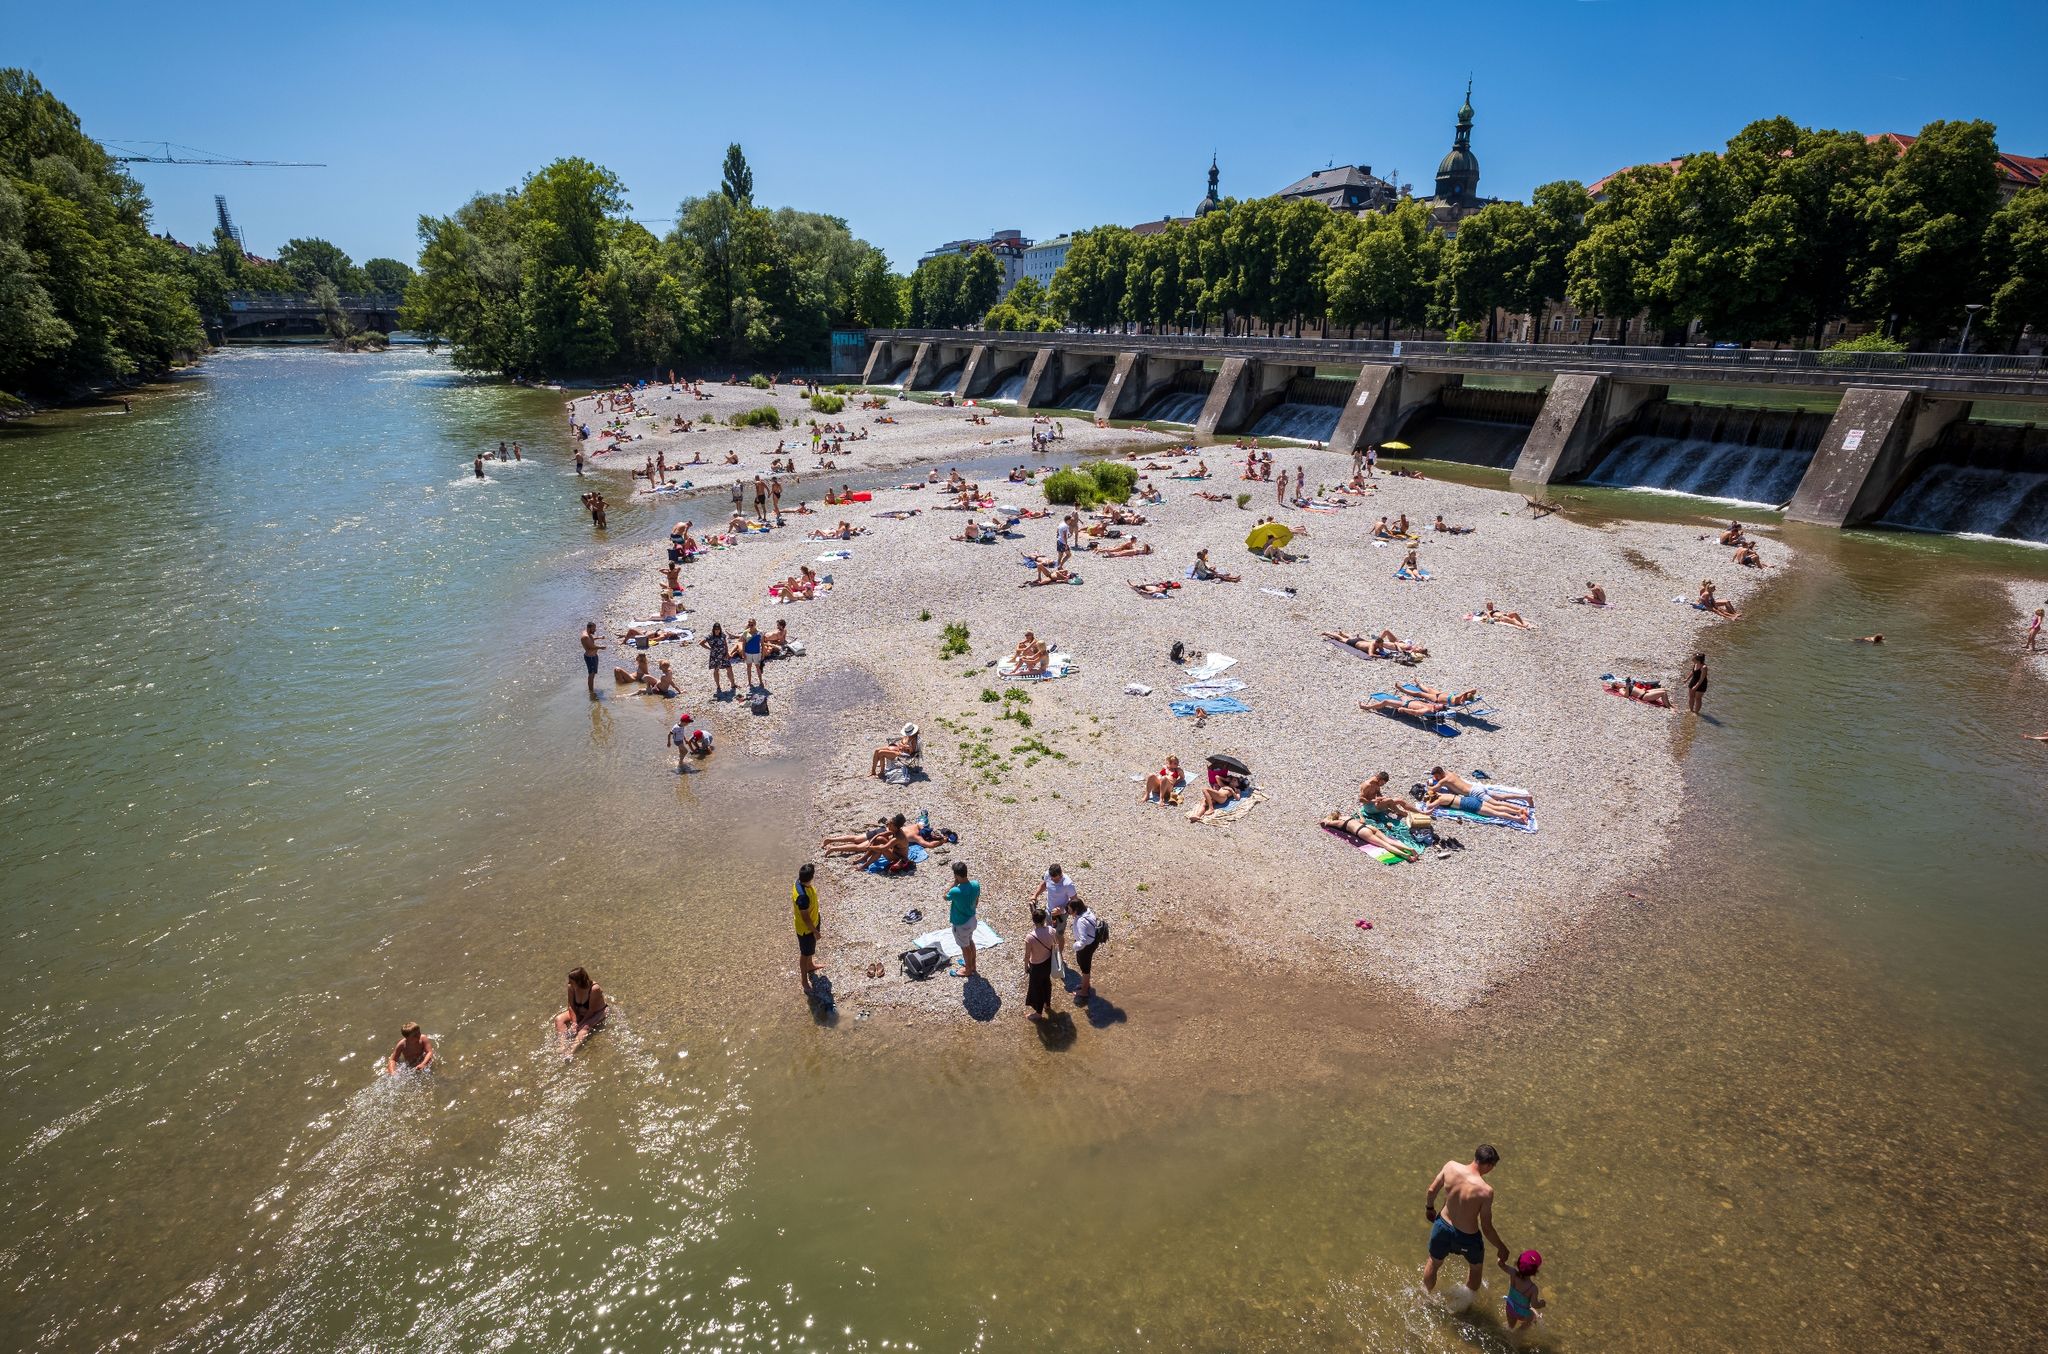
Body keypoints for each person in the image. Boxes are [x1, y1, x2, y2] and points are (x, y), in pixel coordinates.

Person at [1423, 1145, 1509, 1296]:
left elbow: (1431, 1191)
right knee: (1475, 1268)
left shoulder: (1450, 1166)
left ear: (1475, 1157)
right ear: (1489, 1165)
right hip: (1467, 1238)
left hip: (1442, 1226)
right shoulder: (1486, 1191)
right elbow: (1486, 1227)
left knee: (1434, 1262)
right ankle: (1463, 1302)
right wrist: (1501, 1247)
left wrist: (1429, 1208)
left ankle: (1425, 1296)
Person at [553, 967, 608, 1059]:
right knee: (558, 1019)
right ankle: (562, 1046)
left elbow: (591, 1010)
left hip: (597, 1012)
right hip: (580, 1010)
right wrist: (574, 1022)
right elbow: (571, 1006)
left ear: (579, 981)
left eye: (571, 982)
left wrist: (580, 1024)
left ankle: (571, 1051)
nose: (569, 983)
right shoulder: (571, 987)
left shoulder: (594, 989)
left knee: (584, 1027)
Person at [1033, 863, 1078, 969]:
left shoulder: (1068, 884)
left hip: (1061, 915)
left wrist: (1062, 909)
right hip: (1049, 911)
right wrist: (1035, 895)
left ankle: (1058, 956)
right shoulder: (1048, 875)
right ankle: (1050, 952)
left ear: (1060, 874)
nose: (1053, 881)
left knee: (1058, 935)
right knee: (1049, 932)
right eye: (1052, 879)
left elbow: (1075, 901)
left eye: (1056, 879)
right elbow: (1044, 885)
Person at [946, 861, 980, 979]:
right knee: (970, 942)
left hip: (961, 924)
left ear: (956, 875)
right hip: (972, 919)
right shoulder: (975, 884)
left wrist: (953, 884)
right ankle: (973, 965)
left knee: (965, 948)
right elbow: (977, 900)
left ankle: (968, 970)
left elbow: (945, 896)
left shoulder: (955, 891)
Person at [793, 863, 823, 995]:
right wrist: (815, 931)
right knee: (805, 954)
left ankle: (810, 966)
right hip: (806, 929)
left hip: (814, 922)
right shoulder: (802, 897)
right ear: (811, 877)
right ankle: (804, 981)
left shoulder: (800, 882)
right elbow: (805, 918)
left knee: (810, 949)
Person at [1022, 907, 1057, 1020]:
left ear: (1033, 920)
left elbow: (1027, 955)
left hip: (1036, 966)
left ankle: (1038, 1013)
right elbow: (1054, 945)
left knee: (1037, 988)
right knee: (1046, 983)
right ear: (1044, 919)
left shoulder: (1030, 937)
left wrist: (1026, 967)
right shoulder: (1051, 930)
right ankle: (1047, 1004)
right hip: (1048, 962)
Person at [1500, 1251, 1546, 1331]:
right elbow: (1534, 1304)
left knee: (1510, 1326)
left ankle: (1508, 1329)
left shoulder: (1513, 1273)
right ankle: (1519, 1332)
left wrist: (1501, 1257)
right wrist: (1541, 1304)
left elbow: (1501, 1264)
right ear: (1535, 1271)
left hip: (1510, 1307)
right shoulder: (1533, 1288)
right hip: (1522, 1314)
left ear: (1517, 1263)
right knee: (1533, 1315)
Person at [1069, 896, 1102, 1003]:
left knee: (1085, 969)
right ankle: (1085, 984)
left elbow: (1082, 941)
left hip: (1086, 947)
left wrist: (1075, 946)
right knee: (1084, 966)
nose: (1068, 911)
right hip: (1092, 942)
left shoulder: (1081, 921)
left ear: (1076, 910)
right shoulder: (1087, 911)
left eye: (1070, 909)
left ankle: (1084, 991)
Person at [700, 622, 737, 697]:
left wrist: (727, 653)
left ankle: (733, 684)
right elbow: (701, 643)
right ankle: (718, 686)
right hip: (715, 656)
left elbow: (725, 644)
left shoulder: (722, 635)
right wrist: (709, 648)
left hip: (723, 654)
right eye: (716, 629)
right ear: (713, 629)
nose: (717, 630)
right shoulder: (710, 636)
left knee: (729, 668)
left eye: (718, 629)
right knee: (716, 670)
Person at [580, 622, 604, 697]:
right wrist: (601, 647)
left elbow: (591, 639)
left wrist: (599, 638)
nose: (595, 630)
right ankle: (591, 692)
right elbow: (591, 648)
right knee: (591, 674)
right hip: (590, 658)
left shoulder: (587, 633)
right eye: (594, 628)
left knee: (593, 674)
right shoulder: (585, 637)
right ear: (589, 628)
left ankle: (591, 690)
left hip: (593, 656)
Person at [740, 618, 766, 689]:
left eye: (752, 625)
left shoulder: (760, 633)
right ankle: (749, 683)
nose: (750, 626)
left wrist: (763, 654)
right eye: (749, 625)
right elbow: (743, 644)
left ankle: (761, 682)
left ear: (755, 624)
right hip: (748, 652)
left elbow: (762, 644)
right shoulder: (745, 632)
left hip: (757, 653)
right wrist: (743, 653)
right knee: (749, 667)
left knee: (758, 667)